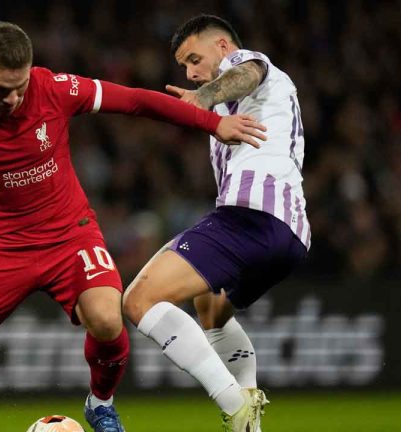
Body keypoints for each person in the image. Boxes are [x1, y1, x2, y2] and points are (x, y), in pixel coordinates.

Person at [0, 21, 266, 432]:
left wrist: (213, 123)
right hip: (2, 248)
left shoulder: (54, 88)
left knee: (107, 318)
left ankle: (100, 404)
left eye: (20, 85)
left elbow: (136, 101)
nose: (14, 98)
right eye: (1, 90)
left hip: (71, 234)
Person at [122, 14, 310, 432]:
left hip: (252, 217)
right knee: (211, 307)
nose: (190, 73)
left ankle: (233, 405)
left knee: (138, 301)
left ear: (223, 47)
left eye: (194, 59)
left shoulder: (247, 64)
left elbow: (247, 72)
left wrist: (204, 96)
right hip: (290, 235)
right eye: (184, 67)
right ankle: (249, 420)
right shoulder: (240, 112)